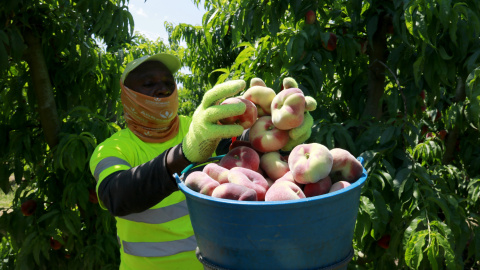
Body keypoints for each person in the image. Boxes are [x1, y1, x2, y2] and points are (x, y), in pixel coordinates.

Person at [89, 52, 315, 269]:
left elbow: (237, 152)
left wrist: (277, 134)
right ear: (127, 94)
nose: (163, 88)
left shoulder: (197, 128)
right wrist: (182, 154)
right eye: (149, 84)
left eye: (169, 83)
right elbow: (115, 196)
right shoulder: (112, 149)